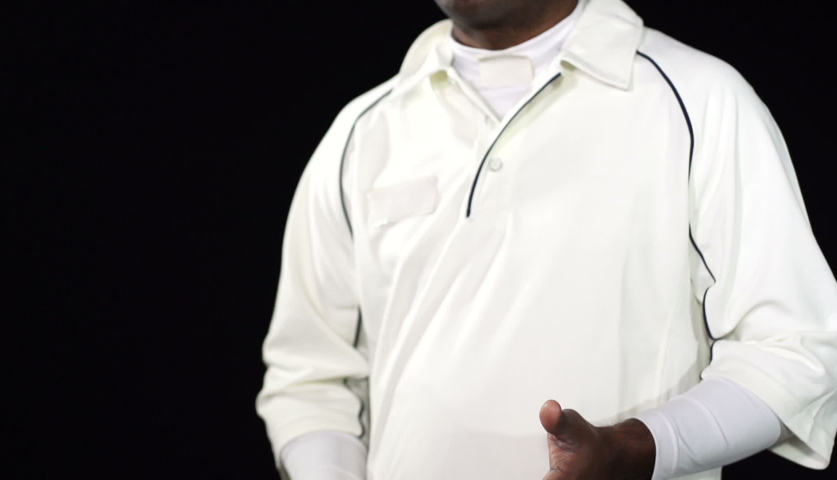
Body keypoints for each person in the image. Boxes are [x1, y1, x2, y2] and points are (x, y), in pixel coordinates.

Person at [256, 0, 837, 478]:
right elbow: (310, 375)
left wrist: (638, 448)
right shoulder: (363, 130)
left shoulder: (698, 99)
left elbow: (795, 348)